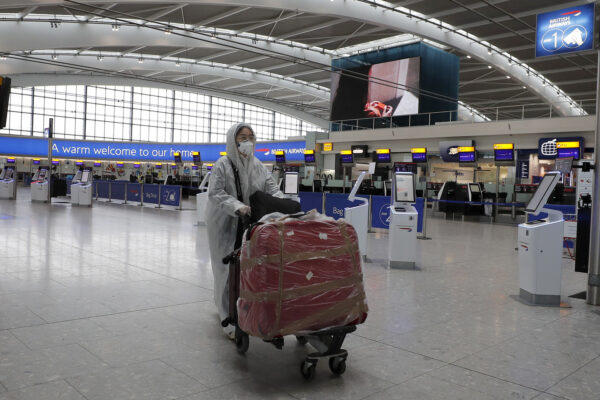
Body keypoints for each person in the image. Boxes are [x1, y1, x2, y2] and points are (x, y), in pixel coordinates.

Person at [205, 123, 282, 339]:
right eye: (242, 137)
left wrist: (287, 202)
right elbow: (216, 193)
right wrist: (236, 207)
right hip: (223, 223)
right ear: (233, 140)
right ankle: (226, 317)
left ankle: (238, 307)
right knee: (225, 269)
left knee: (243, 266)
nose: (247, 141)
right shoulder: (222, 164)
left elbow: (272, 188)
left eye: (251, 137)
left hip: (248, 222)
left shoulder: (257, 165)